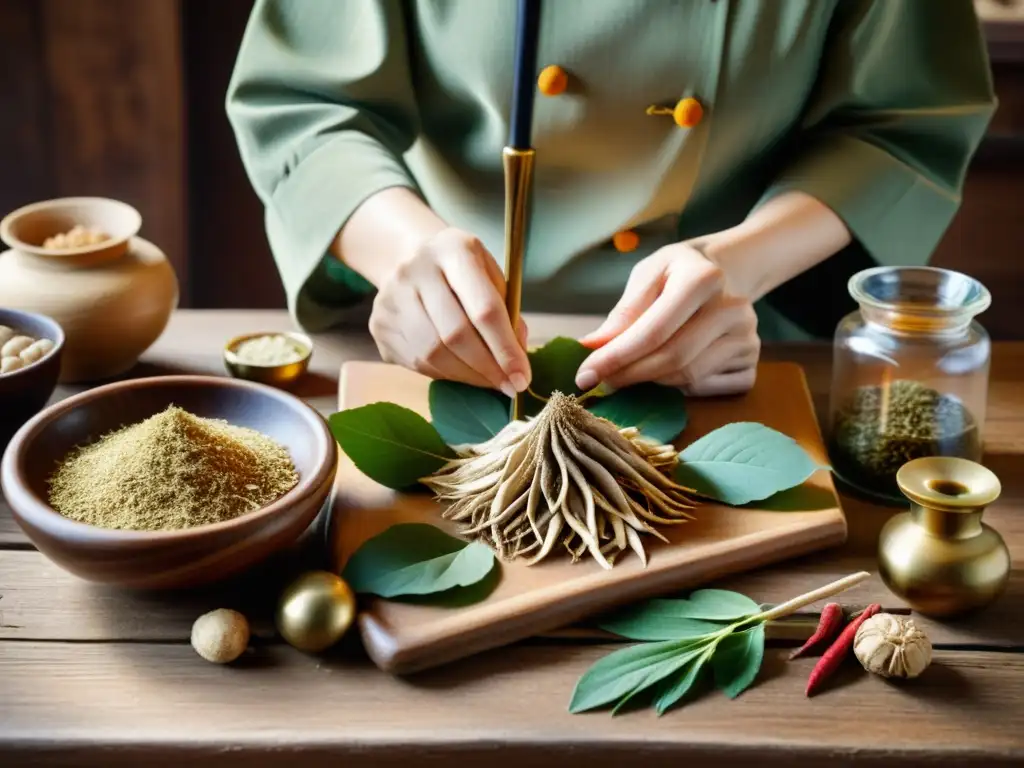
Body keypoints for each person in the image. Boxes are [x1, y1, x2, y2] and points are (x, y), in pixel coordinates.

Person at [226, 0, 996, 400]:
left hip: (733, 345)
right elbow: (304, 103)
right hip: (438, 344)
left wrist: (741, 268)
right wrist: (402, 252)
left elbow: (900, 125)